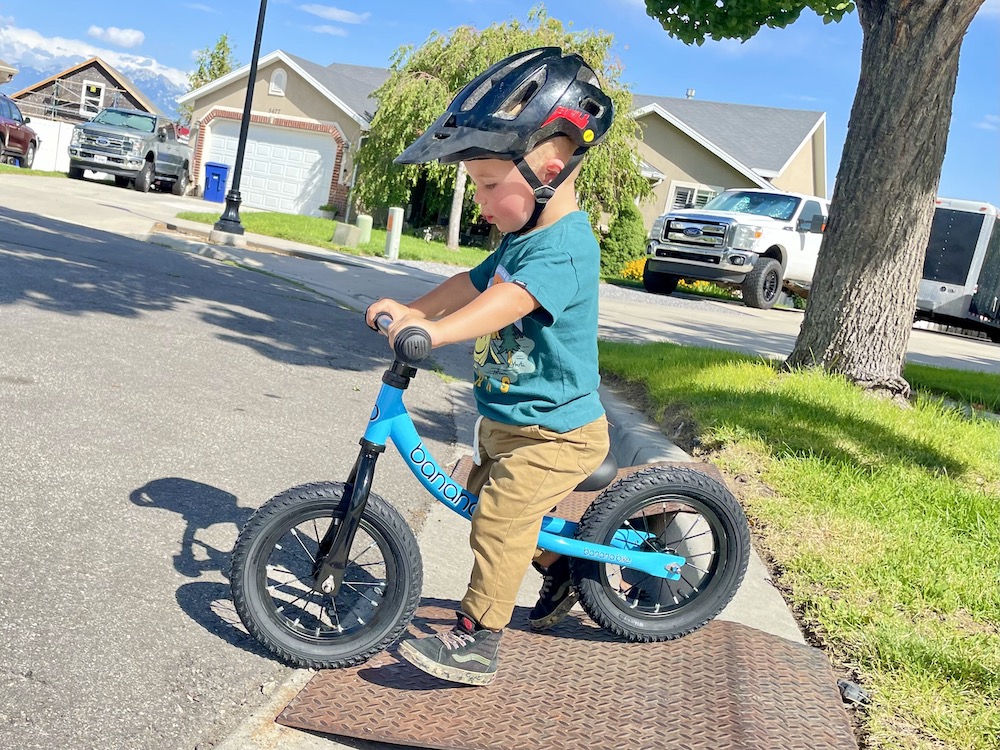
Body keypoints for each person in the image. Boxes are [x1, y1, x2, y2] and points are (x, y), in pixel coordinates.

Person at [364, 46, 614, 686]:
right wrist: (414, 309)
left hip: (555, 433)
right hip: (509, 424)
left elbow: (506, 303)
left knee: (498, 520)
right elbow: (470, 282)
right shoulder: (520, 240)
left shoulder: (564, 247)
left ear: (550, 168)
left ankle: (477, 642)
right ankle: (561, 571)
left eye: (485, 185)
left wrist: (437, 334)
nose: (478, 201)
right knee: (486, 501)